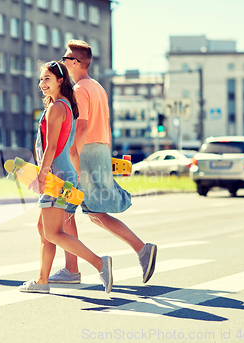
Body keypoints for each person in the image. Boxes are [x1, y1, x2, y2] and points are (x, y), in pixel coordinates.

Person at [48, 40, 157, 285]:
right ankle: (139, 250)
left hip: (85, 152)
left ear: (75, 62)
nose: (63, 61)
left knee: (72, 209)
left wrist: (73, 156)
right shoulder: (97, 87)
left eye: (66, 58)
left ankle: (73, 269)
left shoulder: (79, 90)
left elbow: (83, 124)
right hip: (99, 149)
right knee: (90, 211)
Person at [18, 61, 113, 294]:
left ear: (61, 80)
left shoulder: (56, 108)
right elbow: (69, 148)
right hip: (65, 173)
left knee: (52, 232)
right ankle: (42, 280)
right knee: (44, 228)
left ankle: (100, 263)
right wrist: (75, 173)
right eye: (41, 79)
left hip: (56, 177)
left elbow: (50, 148)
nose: (42, 84)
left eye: (47, 79)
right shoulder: (67, 105)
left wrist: (42, 175)